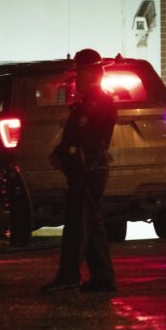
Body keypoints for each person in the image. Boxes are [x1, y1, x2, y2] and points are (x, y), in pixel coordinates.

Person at [40, 48, 118, 294]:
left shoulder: (98, 102)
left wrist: (66, 154)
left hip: (88, 170)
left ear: (92, 73)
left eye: (80, 73)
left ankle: (69, 276)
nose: (77, 79)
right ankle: (103, 277)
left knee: (77, 226)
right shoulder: (88, 102)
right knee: (92, 224)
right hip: (85, 170)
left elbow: (87, 139)